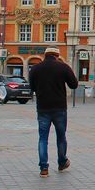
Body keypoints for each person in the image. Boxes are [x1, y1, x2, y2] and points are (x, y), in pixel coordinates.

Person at [27, 46, 79, 177]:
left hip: (43, 108)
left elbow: (31, 87)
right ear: (57, 55)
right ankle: (62, 162)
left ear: (45, 55)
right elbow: (74, 84)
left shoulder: (35, 68)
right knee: (61, 137)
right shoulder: (63, 67)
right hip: (59, 108)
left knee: (43, 138)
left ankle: (44, 168)